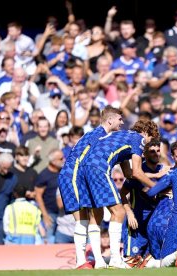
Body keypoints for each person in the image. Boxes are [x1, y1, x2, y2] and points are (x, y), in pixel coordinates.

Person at [74, 119, 159, 268]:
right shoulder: (138, 138)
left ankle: (99, 262)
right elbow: (138, 172)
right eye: (150, 139)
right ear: (146, 133)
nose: (148, 145)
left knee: (96, 214)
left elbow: (128, 173)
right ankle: (115, 259)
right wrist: (158, 187)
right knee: (119, 212)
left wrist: (152, 177)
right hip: (99, 168)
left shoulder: (123, 138)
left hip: (84, 169)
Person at [58, 106, 123, 269]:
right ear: (110, 120)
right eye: (119, 119)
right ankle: (80, 261)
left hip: (81, 177)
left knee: (96, 214)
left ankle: (99, 261)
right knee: (82, 219)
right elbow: (83, 160)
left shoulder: (99, 135)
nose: (122, 122)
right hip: (72, 175)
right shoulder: (98, 135)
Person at [120, 140, 164, 266]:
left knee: (151, 264)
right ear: (144, 153)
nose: (156, 154)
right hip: (136, 224)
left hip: (154, 225)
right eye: (152, 151)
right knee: (131, 262)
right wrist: (129, 213)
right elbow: (122, 193)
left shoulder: (163, 170)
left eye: (158, 150)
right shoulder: (137, 172)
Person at [34, 149, 64, 244]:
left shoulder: (63, 172)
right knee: (49, 240)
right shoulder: (44, 175)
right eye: (61, 158)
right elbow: (38, 196)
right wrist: (45, 215)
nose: (64, 160)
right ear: (53, 161)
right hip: (50, 213)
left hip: (63, 214)